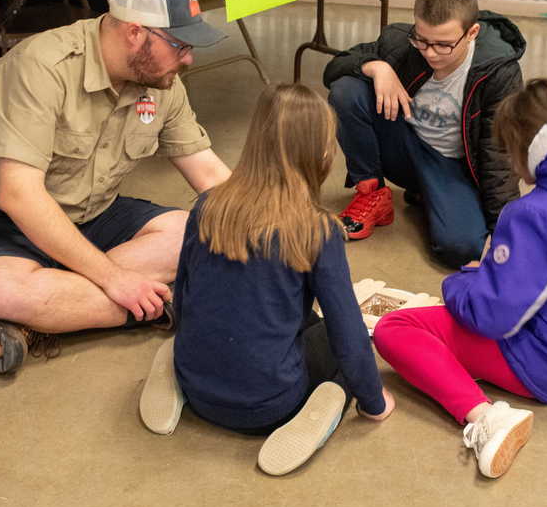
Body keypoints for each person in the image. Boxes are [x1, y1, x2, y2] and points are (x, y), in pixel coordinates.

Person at [0, 0, 233, 376]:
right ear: (135, 32)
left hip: (93, 212)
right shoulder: (40, 68)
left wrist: (280, 229)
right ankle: (164, 303)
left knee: (202, 232)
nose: (189, 59)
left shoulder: (162, 83)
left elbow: (209, 173)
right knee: (1, 289)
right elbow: (19, 196)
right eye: (180, 46)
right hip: (5, 221)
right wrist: (113, 278)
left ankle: (41, 316)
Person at [372, 79, 547, 479]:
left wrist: (461, 283)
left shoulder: (535, 214)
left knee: (395, 328)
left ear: (527, 149)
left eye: (509, 152)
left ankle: (486, 417)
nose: (509, 166)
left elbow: (491, 317)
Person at [148, 83, 393, 476]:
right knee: (346, 341)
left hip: (197, 385)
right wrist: (374, 402)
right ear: (322, 153)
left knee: (268, 306)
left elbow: (187, 293)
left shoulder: (208, 205)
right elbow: (347, 334)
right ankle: (326, 405)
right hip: (270, 408)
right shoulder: (317, 229)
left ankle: (177, 370)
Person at [323, 0, 525, 268]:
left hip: (451, 168)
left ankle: (429, 196)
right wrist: (377, 67)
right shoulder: (402, 44)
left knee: (461, 249)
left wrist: (505, 234)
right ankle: (373, 194)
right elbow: (334, 69)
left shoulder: (499, 73)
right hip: (403, 146)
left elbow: (499, 157)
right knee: (347, 91)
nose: (430, 53)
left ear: (472, 32)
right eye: (422, 39)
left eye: (443, 44)